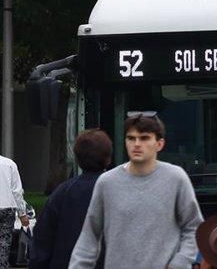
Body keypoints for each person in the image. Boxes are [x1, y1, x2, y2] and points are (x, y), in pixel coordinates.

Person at [69, 112, 202, 269]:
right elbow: (89, 237)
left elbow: (195, 228)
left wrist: (179, 263)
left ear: (160, 144)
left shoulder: (176, 178)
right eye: (131, 138)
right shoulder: (107, 183)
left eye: (144, 138)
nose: (137, 144)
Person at [30, 128, 112, 269]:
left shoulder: (61, 193)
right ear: (108, 158)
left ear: (77, 158)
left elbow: (42, 241)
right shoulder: (116, 190)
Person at [0, 144, 29, 260]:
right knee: (4, 243)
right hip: (7, 208)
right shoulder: (9, 164)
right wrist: (22, 214)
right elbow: (17, 192)